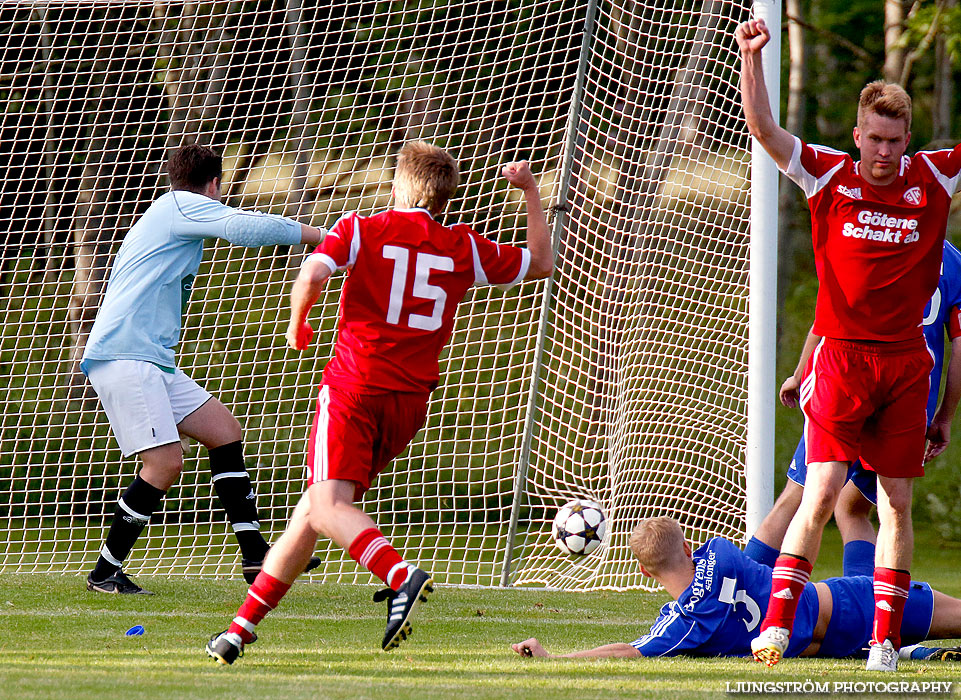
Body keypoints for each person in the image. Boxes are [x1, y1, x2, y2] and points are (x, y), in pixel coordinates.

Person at [205, 141, 554, 664]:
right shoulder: (462, 246)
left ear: (398, 187)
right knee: (314, 512)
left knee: (326, 506)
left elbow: (312, 274)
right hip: (409, 403)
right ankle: (239, 630)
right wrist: (529, 191)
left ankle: (399, 575)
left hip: (354, 388)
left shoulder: (361, 228)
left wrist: (299, 321)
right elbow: (541, 263)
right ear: (445, 198)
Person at [736, 17, 961, 671]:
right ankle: (774, 627)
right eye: (873, 139)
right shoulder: (828, 175)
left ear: (906, 139)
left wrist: (945, 410)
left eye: (894, 140)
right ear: (857, 134)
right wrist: (753, 59)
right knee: (821, 491)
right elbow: (763, 131)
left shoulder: (933, 178)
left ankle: (885, 641)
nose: (884, 153)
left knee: (892, 501)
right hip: (839, 358)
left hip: (903, 366)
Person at [81, 143, 325, 595]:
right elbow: (243, 227)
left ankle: (257, 558)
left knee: (223, 429)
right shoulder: (180, 205)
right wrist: (323, 238)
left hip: (147, 357)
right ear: (213, 185)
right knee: (163, 462)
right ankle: (104, 572)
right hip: (125, 355)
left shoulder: (169, 209)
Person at [746, 241, 961, 577]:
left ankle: (735, 595)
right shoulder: (954, 262)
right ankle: (863, 608)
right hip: (909, 397)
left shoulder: (872, 237)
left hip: (849, 382)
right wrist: (943, 415)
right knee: (856, 507)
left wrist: (801, 373)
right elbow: (960, 348)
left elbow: (831, 312)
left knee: (800, 496)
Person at [511, 517, 961, 662]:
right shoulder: (721, 553)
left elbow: (629, 651)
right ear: (689, 545)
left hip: (836, 635)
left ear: (645, 573)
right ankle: (912, 650)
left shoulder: (685, 625)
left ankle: (912, 650)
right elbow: (767, 538)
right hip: (851, 603)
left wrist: (557, 658)